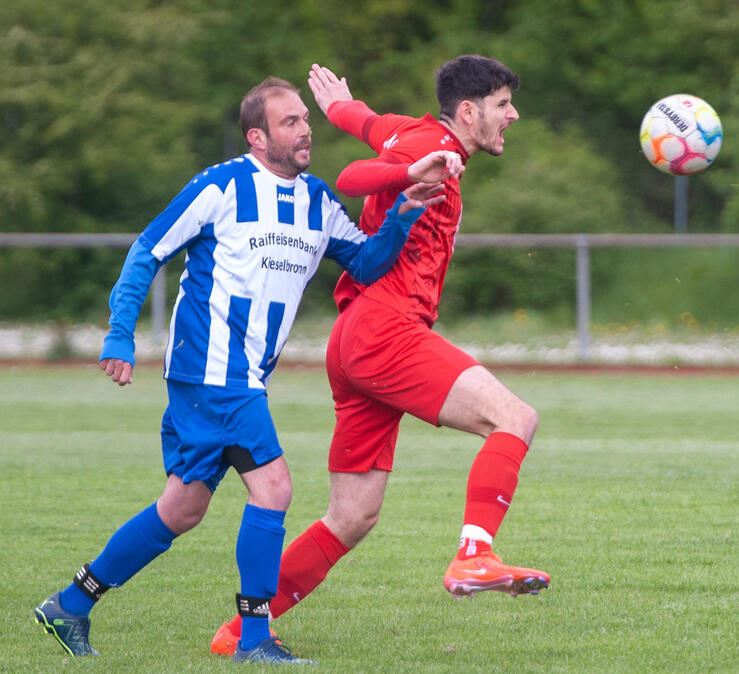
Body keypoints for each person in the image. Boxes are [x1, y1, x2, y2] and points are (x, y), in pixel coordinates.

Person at [33, 75, 458, 664]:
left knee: (181, 509)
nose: (306, 128)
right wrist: (119, 334)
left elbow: (364, 262)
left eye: (307, 118)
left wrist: (404, 213)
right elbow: (147, 251)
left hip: (242, 375)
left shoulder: (317, 200)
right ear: (258, 136)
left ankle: (70, 606)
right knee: (275, 487)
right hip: (210, 368)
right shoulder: (223, 185)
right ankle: (255, 639)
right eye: (290, 121)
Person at [209, 56, 549, 657]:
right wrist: (409, 171)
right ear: (468, 112)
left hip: (355, 337)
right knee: (514, 419)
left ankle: (240, 631)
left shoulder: (412, 129)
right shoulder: (429, 146)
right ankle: (474, 554)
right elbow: (354, 177)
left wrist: (340, 105)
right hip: (386, 327)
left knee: (353, 514)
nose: (512, 115)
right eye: (503, 104)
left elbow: (363, 121)